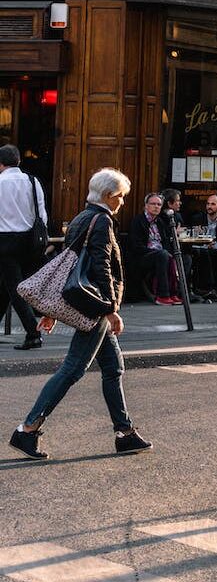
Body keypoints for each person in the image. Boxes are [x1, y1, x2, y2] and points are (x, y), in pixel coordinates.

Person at [9, 167, 151, 459]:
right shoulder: (101, 221)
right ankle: (27, 429)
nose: (123, 202)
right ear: (110, 196)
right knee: (73, 369)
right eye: (121, 197)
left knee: (113, 368)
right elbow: (101, 268)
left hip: (86, 303)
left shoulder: (81, 217)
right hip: (95, 307)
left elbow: (69, 268)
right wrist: (111, 310)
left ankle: (124, 433)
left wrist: (55, 310)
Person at [0, 144, 47, 350]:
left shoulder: (0, 182)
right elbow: (41, 213)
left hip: (5, 240)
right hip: (29, 241)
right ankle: (32, 332)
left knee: (15, 288)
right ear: (18, 161)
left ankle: (33, 333)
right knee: (6, 286)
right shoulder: (33, 181)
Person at [127, 192, 178, 305]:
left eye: (159, 205)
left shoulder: (160, 222)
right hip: (142, 256)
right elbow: (136, 246)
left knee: (179, 256)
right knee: (163, 255)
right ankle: (162, 295)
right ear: (146, 206)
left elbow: (165, 241)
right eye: (153, 204)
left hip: (160, 255)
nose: (156, 207)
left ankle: (174, 293)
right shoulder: (138, 221)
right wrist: (157, 252)